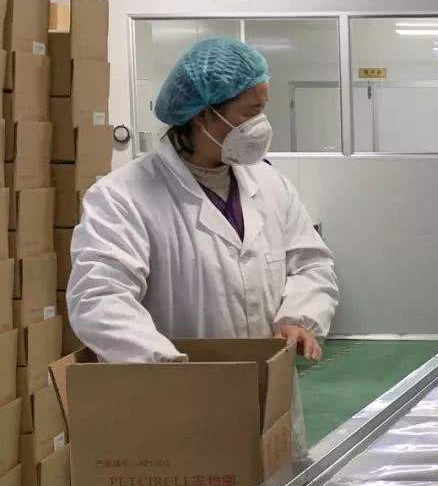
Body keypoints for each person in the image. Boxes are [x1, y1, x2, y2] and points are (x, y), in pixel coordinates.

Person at [68, 38, 339, 445]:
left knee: (275, 482)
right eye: (250, 113)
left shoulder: (269, 184)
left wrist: (297, 317)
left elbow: (311, 262)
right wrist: (166, 366)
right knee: (202, 484)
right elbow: (99, 298)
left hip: (271, 401)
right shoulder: (123, 196)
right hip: (178, 408)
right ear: (203, 115)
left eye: (263, 109)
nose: (260, 125)